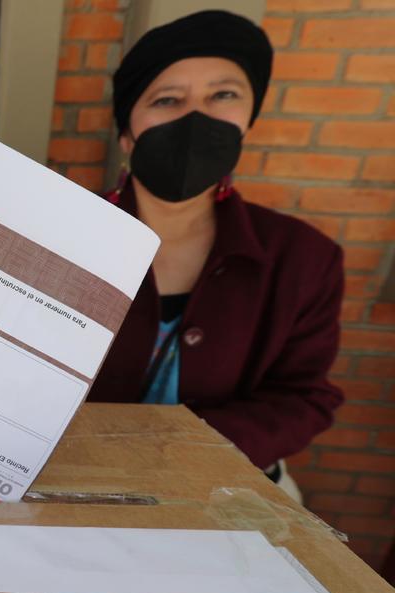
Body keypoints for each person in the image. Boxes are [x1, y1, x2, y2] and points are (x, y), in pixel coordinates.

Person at [89, 10, 344, 500]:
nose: (196, 116)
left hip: (228, 489)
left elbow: (304, 396)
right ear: (126, 133)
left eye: (222, 95)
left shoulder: (304, 258)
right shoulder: (56, 234)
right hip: (78, 483)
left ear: (248, 120)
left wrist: (179, 448)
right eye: (167, 99)